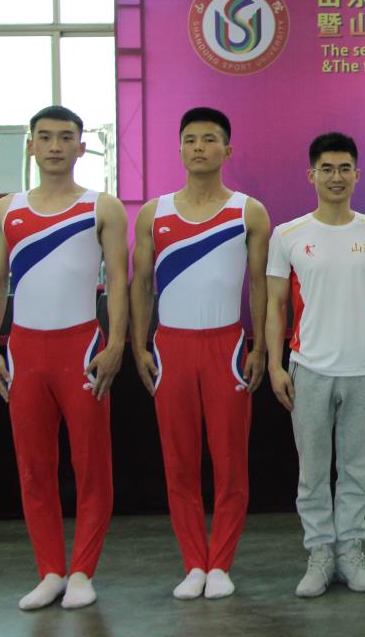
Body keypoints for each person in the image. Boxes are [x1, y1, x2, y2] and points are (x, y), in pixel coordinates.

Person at [0, 106, 129, 610]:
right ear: (31, 145)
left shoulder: (102, 207)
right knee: (34, 467)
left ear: (81, 147)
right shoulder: (7, 209)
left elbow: (119, 281)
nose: (55, 146)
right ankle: (49, 570)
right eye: (45, 137)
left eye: (66, 137)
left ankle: (82, 570)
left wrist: (115, 343)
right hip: (25, 351)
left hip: (80, 349)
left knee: (91, 466)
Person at [128, 107, 271, 600]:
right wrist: (139, 343)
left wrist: (259, 346)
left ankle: (221, 564)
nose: (198, 147)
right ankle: (194, 562)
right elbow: (140, 284)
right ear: (180, 148)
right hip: (171, 346)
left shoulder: (248, 211)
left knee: (230, 463)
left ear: (226, 150)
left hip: (226, 347)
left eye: (209, 139)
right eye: (190, 139)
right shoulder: (154, 213)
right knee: (180, 462)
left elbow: (260, 286)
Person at [264, 132, 365, 598]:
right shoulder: (288, 235)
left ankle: (351, 552)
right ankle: (320, 554)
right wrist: (276, 365)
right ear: (312, 175)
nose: (336, 177)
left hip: (364, 369)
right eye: (327, 169)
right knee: (313, 472)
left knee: (358, 470)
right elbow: (275, 306)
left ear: (357, 175)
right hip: (309, 368)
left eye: (345, 169)